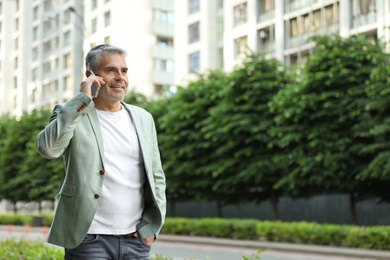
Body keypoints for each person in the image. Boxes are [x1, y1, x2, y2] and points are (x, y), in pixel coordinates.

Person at [36, 44, 166, 259]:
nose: (119, 77)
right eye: (111, 70)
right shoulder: (72, 113)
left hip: (136, 239)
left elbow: (156, 174)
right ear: (91, 75)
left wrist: (153, 227)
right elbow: (48, 149)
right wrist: (82, 99)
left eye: (124, 71)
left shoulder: (143, 117)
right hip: (89, 238)